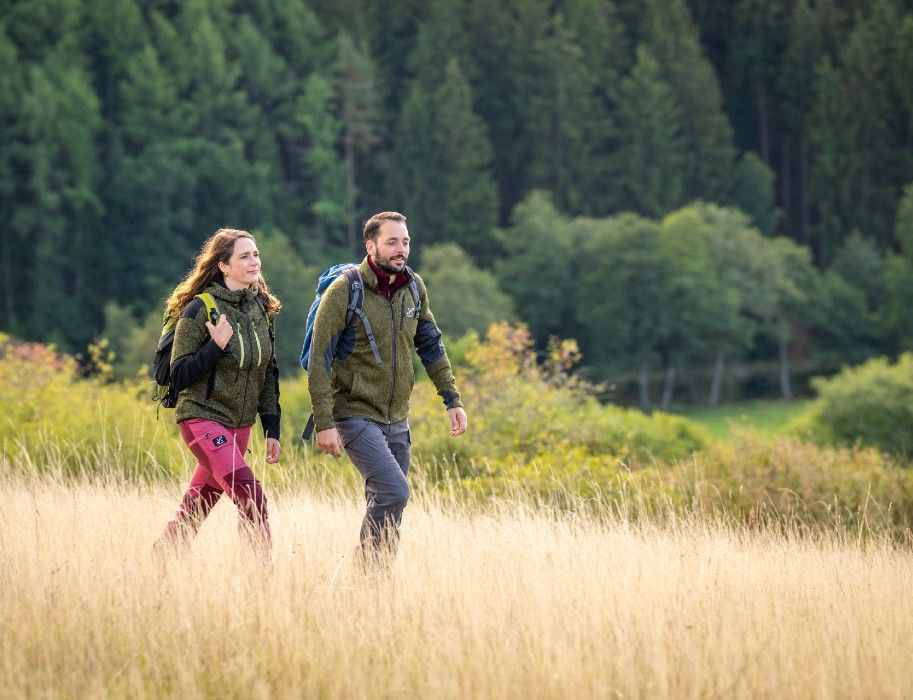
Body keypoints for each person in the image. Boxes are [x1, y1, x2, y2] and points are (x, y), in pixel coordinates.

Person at [307, 211, 468, 564]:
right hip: (354, 412)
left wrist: (451, 398)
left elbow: (431, 345)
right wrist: (324, 423)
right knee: (395, 492)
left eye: (406, 242)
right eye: (392, 241)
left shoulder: (413, 287)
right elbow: (320, 361)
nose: (401, 249)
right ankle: (364, 574)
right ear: (371, 245)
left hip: (397, 418)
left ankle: (373, 587)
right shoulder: (345, 291)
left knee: (388, 504)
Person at [155, 228, 281, 556]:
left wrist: (272, 428)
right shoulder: (200, 309)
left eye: (255, 254)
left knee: (196, 507)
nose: (255, 261)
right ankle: (264, 581)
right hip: (202, 419)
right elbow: (177, 374)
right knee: (251, 496)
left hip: (241, 428)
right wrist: (215, 347)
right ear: (224, 266)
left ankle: (160, 560)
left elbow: (268, 373)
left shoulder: (260, 311)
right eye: (244, 256)